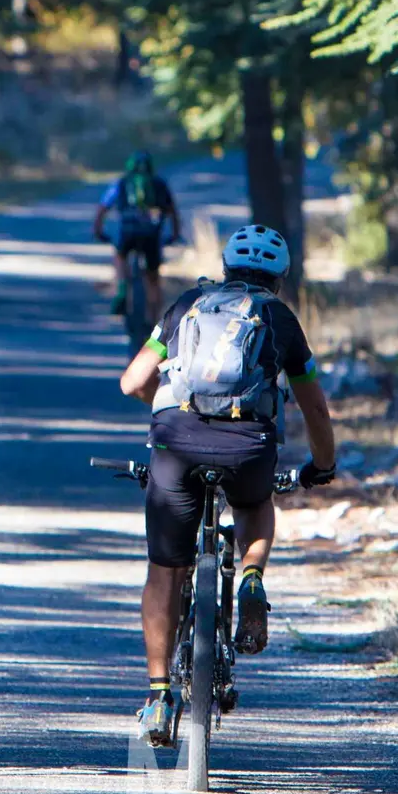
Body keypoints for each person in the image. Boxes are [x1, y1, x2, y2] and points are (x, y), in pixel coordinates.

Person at [118, 224, 337, 744]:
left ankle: (157, 696)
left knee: (164, 570)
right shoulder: (280, 318)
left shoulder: (188, 304)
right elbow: (314, 406)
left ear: (225, 265)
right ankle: (252, 575)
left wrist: (167, 413)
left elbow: (132, 381)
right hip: (247, 446)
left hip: (177, 439)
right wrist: (320, 466)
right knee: (256, 503)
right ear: (280, 277)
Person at [92, 150, 179, 320]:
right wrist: (174, 234)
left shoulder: (121, 184)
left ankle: (122, 288)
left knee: (120, 256)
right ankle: (155, 321)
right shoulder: (159, 184)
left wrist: (98, 231)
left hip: (128, 233)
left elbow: (102, 209)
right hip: (152, 235)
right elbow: (173, 212)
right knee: (153, 280)